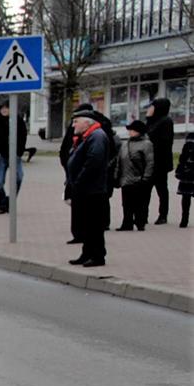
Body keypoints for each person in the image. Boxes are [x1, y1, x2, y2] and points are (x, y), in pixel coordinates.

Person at [65, 105, 114, 267]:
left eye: (76, 122)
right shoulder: (87, 136)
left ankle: (98, 255)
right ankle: (87, 253)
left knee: (94, 225)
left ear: (87, 123)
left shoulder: (97, 137)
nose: (73, 125)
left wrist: (78, 181)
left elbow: (94, 162)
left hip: (92, 190)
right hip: (84, 188)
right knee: (86, 224)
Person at [115, 120, 156, 232]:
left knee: (139, 203)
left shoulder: (147, 144)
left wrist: (146, 177)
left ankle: (140, 222)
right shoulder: (125, 144)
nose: (130, 132)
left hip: (138, 178)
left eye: (132, 130)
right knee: (126, 203)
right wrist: (116, 176)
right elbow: (119, 160)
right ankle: (127, 223)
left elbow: (150, 162)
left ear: (139, 131)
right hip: (125, 178)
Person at [0, 101, 28, 214]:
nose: (4, 110)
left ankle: (11, 201)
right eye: (2, 109)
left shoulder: (18, 121)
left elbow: (23, 136)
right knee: (0, 182)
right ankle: (2, 205)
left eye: (6, 108)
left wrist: (19, 152)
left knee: (19, 178)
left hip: (15, 155)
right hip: (1, 156)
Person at [145, 98, 174, 223]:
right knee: (145, 190)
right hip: (149, 161)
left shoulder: (166, 121)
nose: (149, 109)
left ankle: (163, 215)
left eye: (152, 106)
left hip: (160, 162)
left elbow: (163, 142)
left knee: (161, 189)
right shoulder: (152, 121)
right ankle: (143, 216)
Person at [175, 130, 193, 229]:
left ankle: (184, 220)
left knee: (186, 197)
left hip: (187, 172)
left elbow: (182, 158)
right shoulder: (190, 138)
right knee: (186, 197)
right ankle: (184, 219)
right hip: (188, 172)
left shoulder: (189, 138)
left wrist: (180, 169)